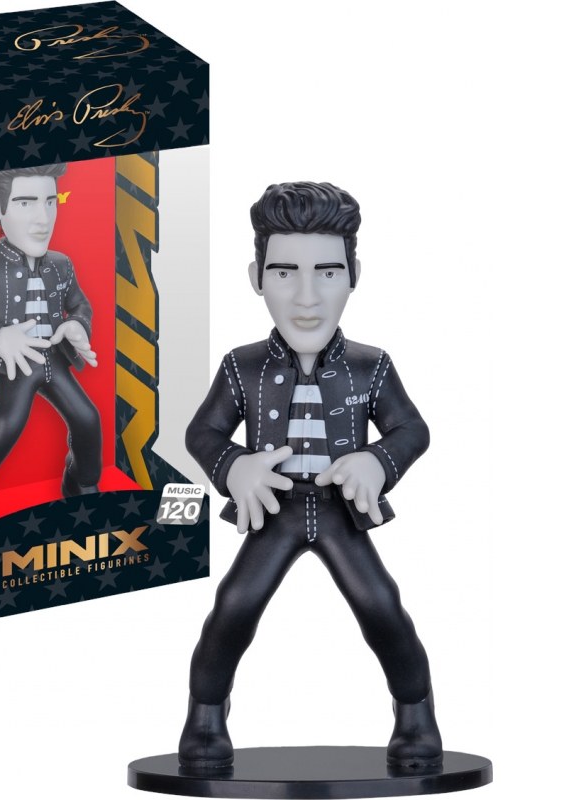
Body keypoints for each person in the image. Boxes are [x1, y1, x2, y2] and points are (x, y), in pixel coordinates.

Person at [179, 181, 442, 769]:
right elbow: (202, 433)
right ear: (256, 277)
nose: (306, 296)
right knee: (234, 606)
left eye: (327, 272)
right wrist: (234, 467)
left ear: (353, 276)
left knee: (381, 606)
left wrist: (378, 461)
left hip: (342, 512)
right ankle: (205, 715)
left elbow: (412, 429)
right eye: (284, 273)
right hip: (274, 511)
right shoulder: (241, 367)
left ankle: (416, 714)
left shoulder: (371, 367)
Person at [0, 165, 102, 535]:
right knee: (6, 428)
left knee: (88, 418)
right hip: (18, 364)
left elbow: (80, 304)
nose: (42, 218)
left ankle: (80, 480)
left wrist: (78, 325)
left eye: (50, 202)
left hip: (54, 358)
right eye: (26, 203)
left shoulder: (61, 265)